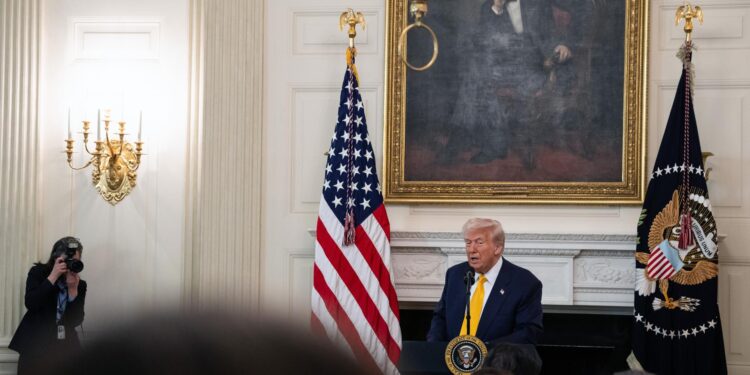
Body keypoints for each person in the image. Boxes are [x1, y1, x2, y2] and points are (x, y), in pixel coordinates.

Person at [443, 0, 571, 168]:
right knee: (476, 72)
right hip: (503, 67)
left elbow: (551, 33)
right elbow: (483, 41)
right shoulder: (488, 7)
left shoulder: (538, 4)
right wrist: (497, 8)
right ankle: (484, 142)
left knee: (477, 74)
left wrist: (561, 44)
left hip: (533, 69)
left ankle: (469, 141)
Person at [427, 218, 543, 344]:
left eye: (479, 243)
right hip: (450, 359)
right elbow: (440, 318)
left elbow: (527, 332)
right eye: (468, 243)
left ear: (497, 248)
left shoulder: (524, 283)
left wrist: (484, 351)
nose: (472, 249)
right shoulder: (455, 274)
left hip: (495, 361)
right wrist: (434, 350)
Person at [9, 237, 87, 375]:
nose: (70, 264)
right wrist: (52, 277)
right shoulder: (38, 273)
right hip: (35, 344)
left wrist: (73, 290)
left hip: (64, 349)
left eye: (75, 261)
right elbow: (31, 303)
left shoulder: (79, 284)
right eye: (67, 260)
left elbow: (76, 320)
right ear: (55, 258)